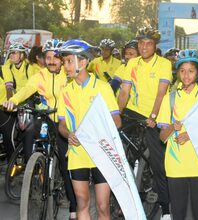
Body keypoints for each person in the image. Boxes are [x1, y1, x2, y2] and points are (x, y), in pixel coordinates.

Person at [2, 39, 77, 219]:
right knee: (28, 130)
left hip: (63, 122)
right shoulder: (40, 75)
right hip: (45, 118)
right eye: (48, 57)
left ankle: (73, 203)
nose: (51, 61)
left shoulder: (67, 75)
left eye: (56, 58)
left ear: (62, 60)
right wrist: (13, 100)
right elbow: (27, 88)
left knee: (67, 165)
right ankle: (31, 167)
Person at [57, 39, 121, 220]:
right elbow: (62, 124)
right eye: (65, 62)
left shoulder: (102, 88)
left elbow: (117, 121)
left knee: (102, 206)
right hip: (77, 153)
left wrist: (95, 132)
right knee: (82, 203)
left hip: (101, 152)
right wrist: (68, 134)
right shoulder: (66, 91)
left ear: (83, 62)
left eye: (69, 61)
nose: (65, 66)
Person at [118, 26, 172, 220]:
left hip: (155, 115)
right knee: (119, 152)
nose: (144, 47)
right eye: (141, 43)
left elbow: (161, 92)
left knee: (158, 163)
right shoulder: (132, 63)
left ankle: (165, 209)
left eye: (149, 43)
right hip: (133, 112)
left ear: (155, 45)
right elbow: (124, 91)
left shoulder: (164, 64)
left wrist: (154, 116)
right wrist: (116, 114)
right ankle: (120, 200)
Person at [158, 49, 198, 220]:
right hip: (176, 165)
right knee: (179, 213)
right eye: (182, 71)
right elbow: (161, 136)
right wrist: (173, 127)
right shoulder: (170, 98)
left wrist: (190, 135)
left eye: (191, 71)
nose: (186, 75)